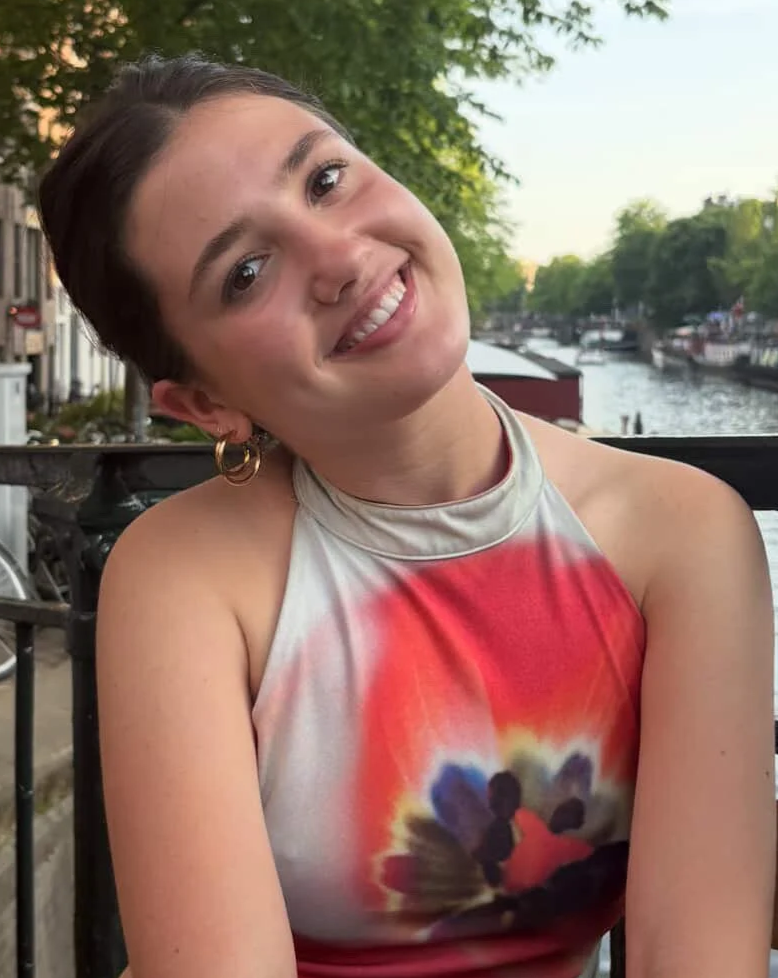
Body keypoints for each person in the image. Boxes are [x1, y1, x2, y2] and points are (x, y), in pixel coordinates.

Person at [38, 55, 774, 978]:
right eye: (247, 272)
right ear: (206, 405)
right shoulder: (181, 577)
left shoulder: (685, 535)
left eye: (325, 179)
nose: (341, 259)